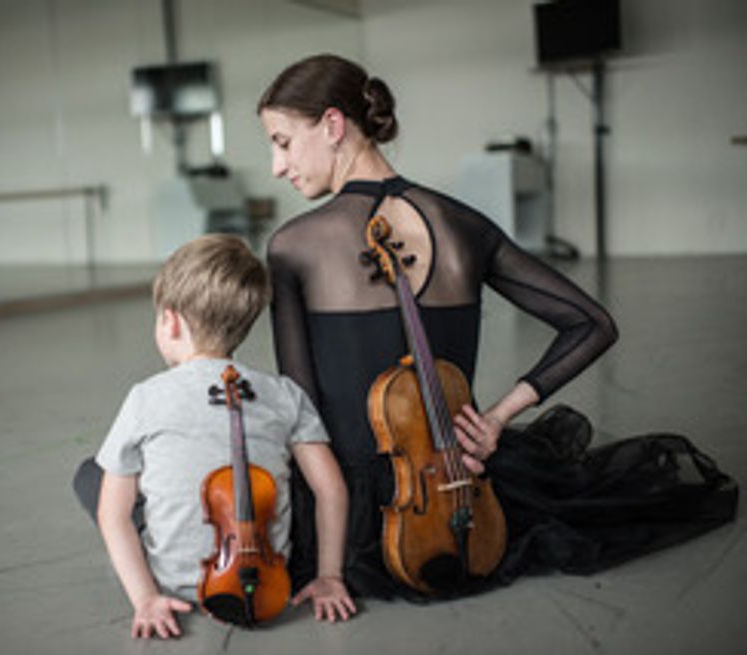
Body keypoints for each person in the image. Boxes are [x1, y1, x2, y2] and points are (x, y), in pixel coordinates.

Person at [256, 53, 738, 599]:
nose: (277, 165)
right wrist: (497, 418)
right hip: (461, 491)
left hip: (353, 520)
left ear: (334, 125)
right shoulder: (465, 225)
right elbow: (592, 324)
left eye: (282, 141)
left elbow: (304, 414)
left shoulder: (294, 247)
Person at [87, 234, 356, 639]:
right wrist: (329, 576)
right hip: (264, 578)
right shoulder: (283, 393)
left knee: (92, 478)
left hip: (177, 584)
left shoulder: (146, 397)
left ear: (170, 321)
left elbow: (113, 515)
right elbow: (331, 490)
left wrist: (146, 598)